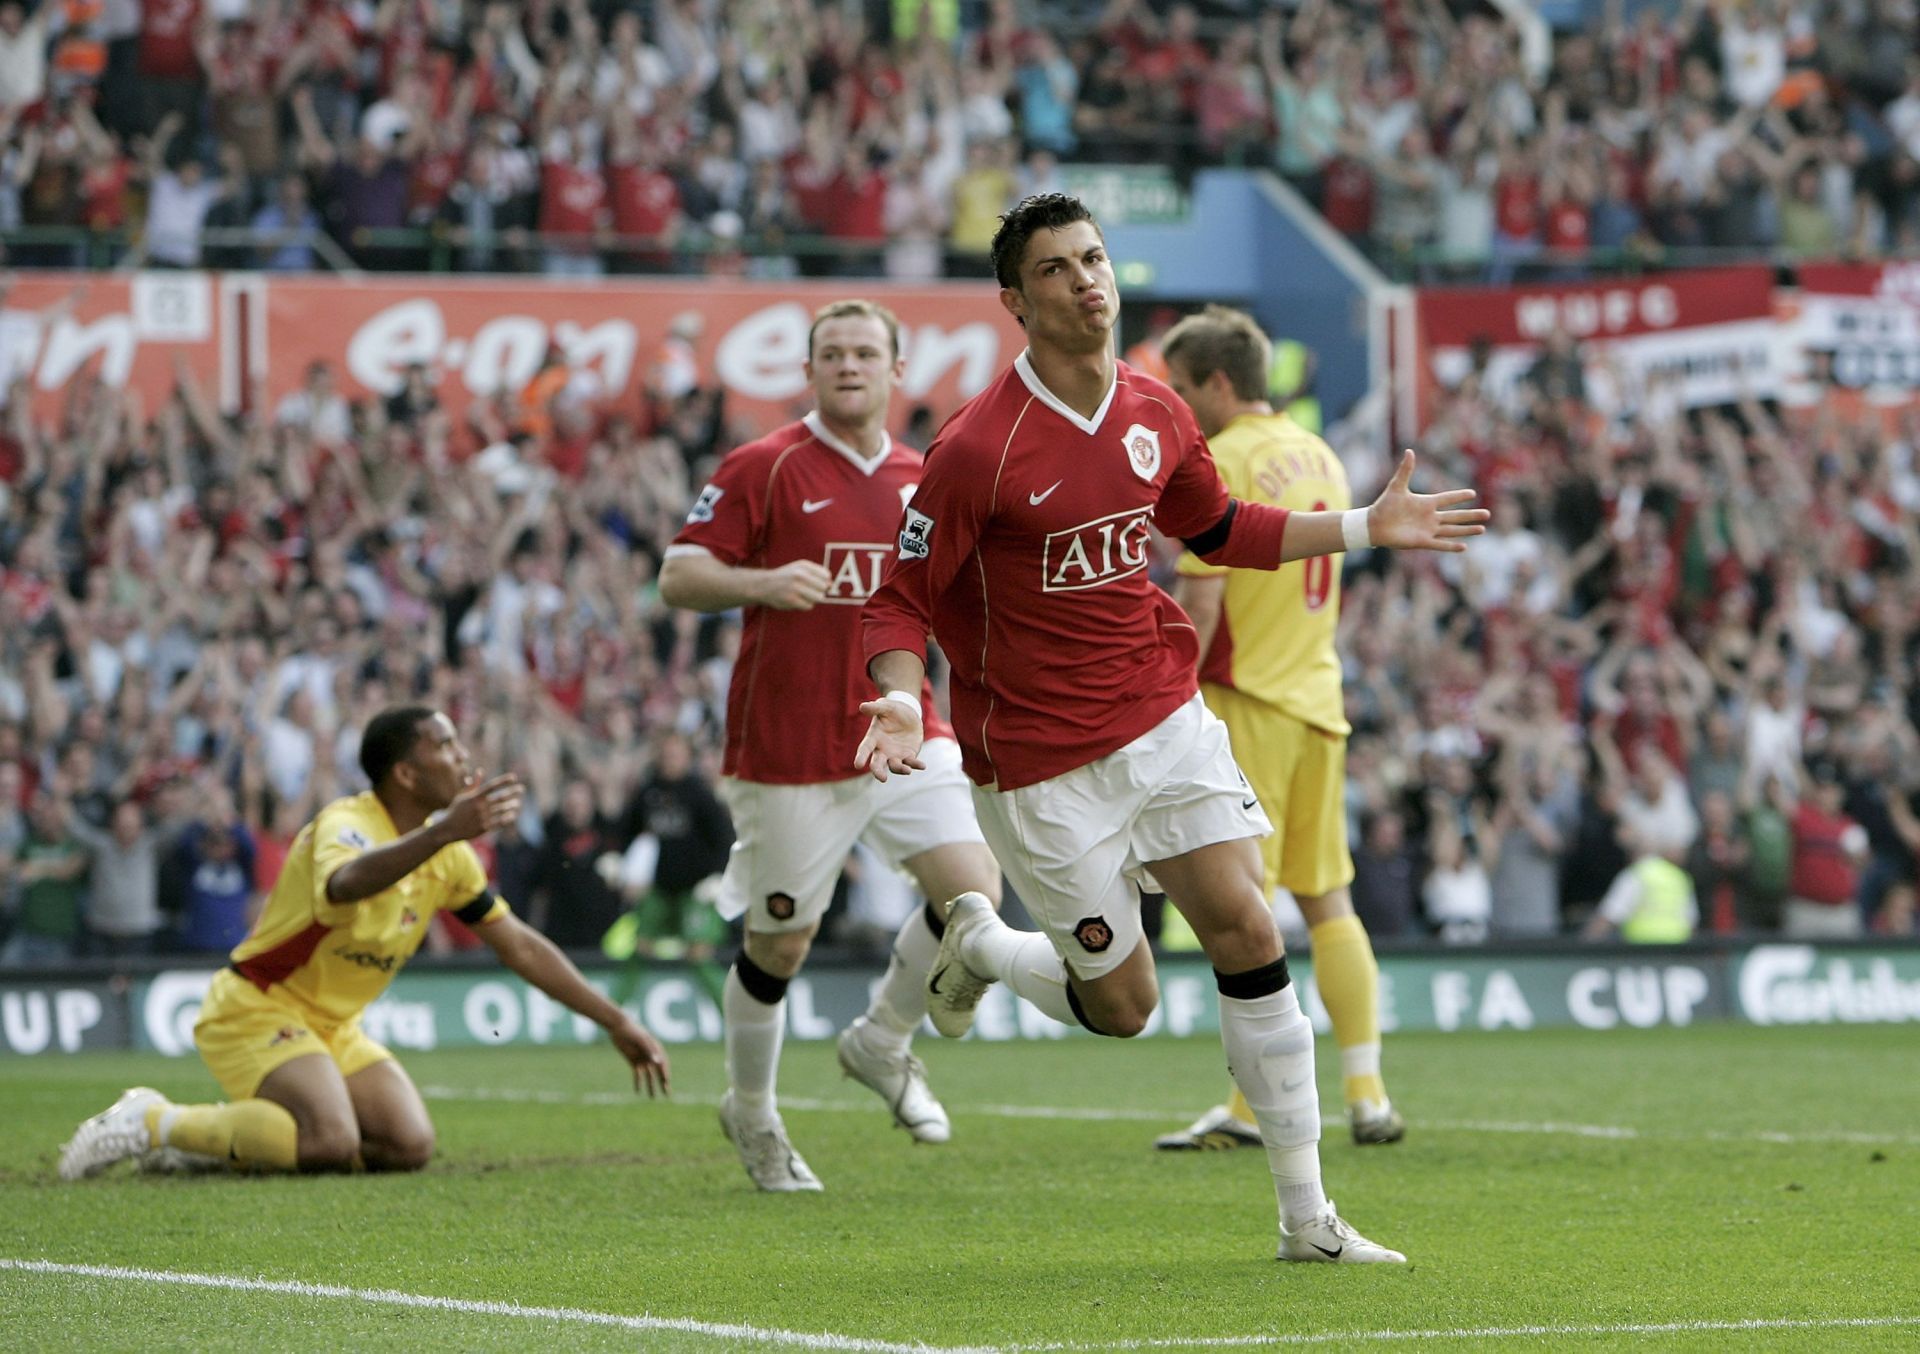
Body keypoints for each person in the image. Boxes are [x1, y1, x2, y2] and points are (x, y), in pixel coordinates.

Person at [856, 194, 1485, 1264]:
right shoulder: (974, 449)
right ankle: (982, 942)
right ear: (1016, 301)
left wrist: (1364, 527)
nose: (1084, 280)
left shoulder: (1155, 408)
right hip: (1042, 762)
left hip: (1161, 715)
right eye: (1054, 269)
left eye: (1093, 259)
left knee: (1249, 926)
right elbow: (898, 597)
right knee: (1125, 1005)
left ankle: (1308, 1219)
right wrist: (904, 694)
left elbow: (1223, 527)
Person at [657, 299, 1005, 1192]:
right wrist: (764, 580)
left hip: (901, 723)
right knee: (780, 946)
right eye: (832, 353)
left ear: (896, 371)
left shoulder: (925, 475)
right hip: (789, 746)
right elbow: (679, 574)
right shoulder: (762, 468)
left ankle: (883, 1041)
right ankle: (752, 1110)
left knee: (973, 889)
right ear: (809, 371)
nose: (849, 365)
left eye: (865, 352)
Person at [57, 707, 669, 1179]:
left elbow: (522, 948)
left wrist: (615, 1021)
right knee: (331, 1141)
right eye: (446, 744)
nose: (462, 755)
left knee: (408, 1146)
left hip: (333, 1026)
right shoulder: (346, 824)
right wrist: (444, 832)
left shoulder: (449, 856)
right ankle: (156, 1121)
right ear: (406, 772)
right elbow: (345, 883)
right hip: (256, 1007)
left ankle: (227, 1147)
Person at [1143, 305, 1404, 1153]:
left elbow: (1206, 598)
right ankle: (1367, 1093)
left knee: (1241, 911)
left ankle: (1253, 1111)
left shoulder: (1223, 458)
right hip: (1318, 699)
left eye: (1183, 389)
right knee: (1328, 899)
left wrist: (1166, 694)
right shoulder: (1317, 450)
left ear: (1220, 383)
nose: (1179, 405)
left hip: (1246, 700)